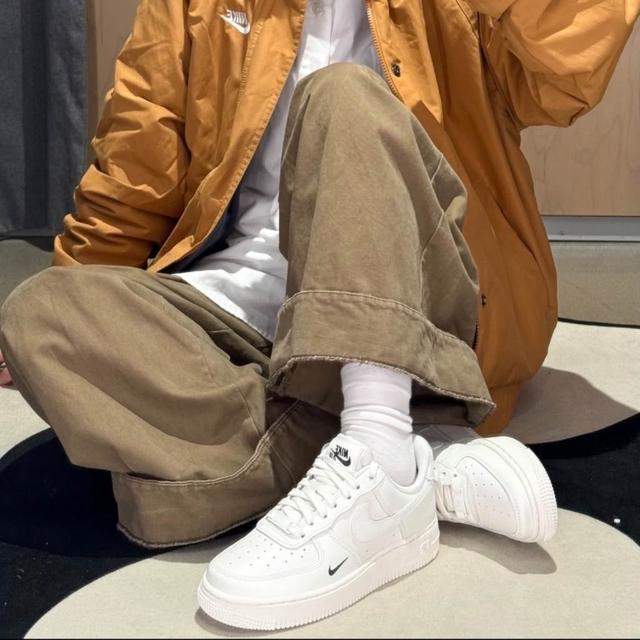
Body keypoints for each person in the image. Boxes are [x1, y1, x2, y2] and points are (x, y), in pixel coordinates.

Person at [0, 0, 637, 630]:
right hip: (239, 302)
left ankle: (366, 434)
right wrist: (91, 298)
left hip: (419, 298)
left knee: (342, 95)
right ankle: (400, 448)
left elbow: (565, 71)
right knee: (44, 316)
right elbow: (137, 162)